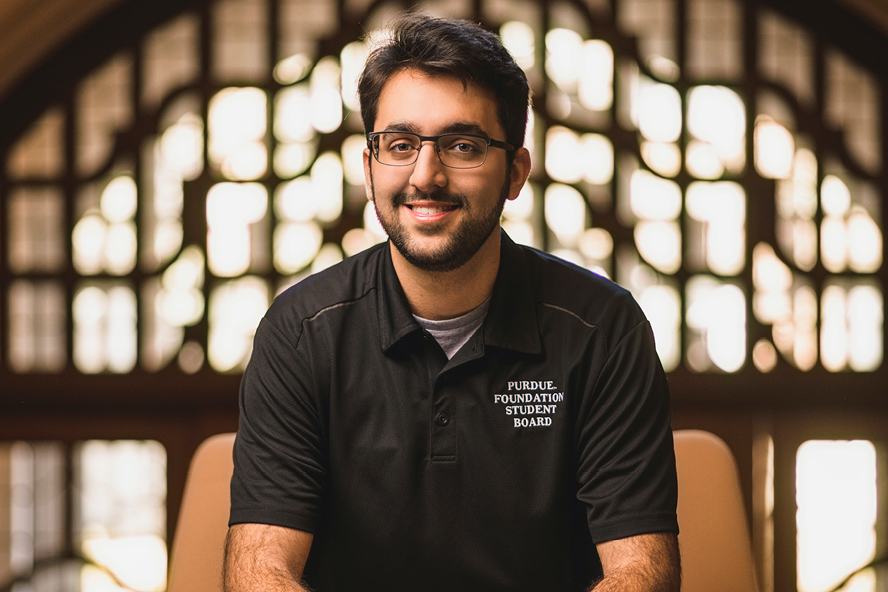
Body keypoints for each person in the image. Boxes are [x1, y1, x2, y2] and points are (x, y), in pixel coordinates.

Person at [223, 12, 680, 592]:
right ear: (369, 167)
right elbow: (259, 572)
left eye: (462, 145)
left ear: (515, 172)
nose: (426, 175)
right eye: (400, 144)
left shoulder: (603, 331)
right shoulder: (299, 333)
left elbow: (642, 572)